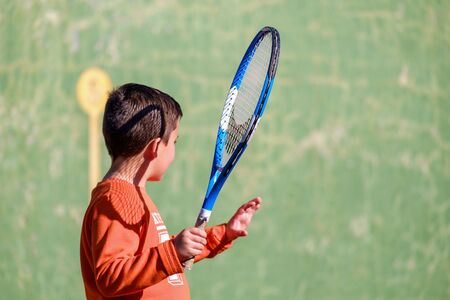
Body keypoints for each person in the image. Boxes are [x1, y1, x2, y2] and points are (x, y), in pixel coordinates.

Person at [79, 83, 262, 299]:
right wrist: (173, 251)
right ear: (155, 148)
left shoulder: (133, 196)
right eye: (174, 142)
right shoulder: (115, 199)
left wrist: (224, 234)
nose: (174, 149)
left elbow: (158, 257)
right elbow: (110, 276)